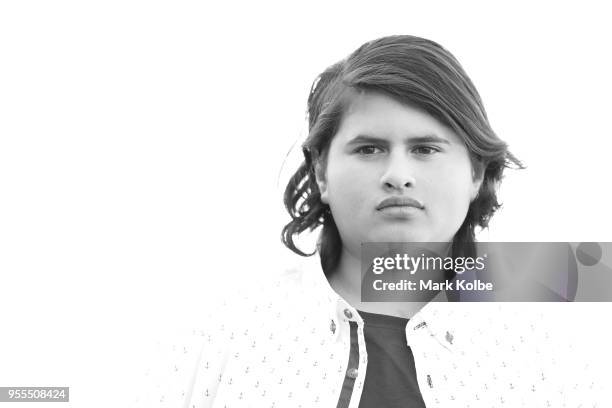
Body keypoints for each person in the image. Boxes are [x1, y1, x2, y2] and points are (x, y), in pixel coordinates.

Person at [136, 35, 600, 407]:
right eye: (369, 148)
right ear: (321, 172)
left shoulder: (548, 357)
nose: (398, 175)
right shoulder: (218, 338)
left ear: (476, 172)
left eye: (425, 148)